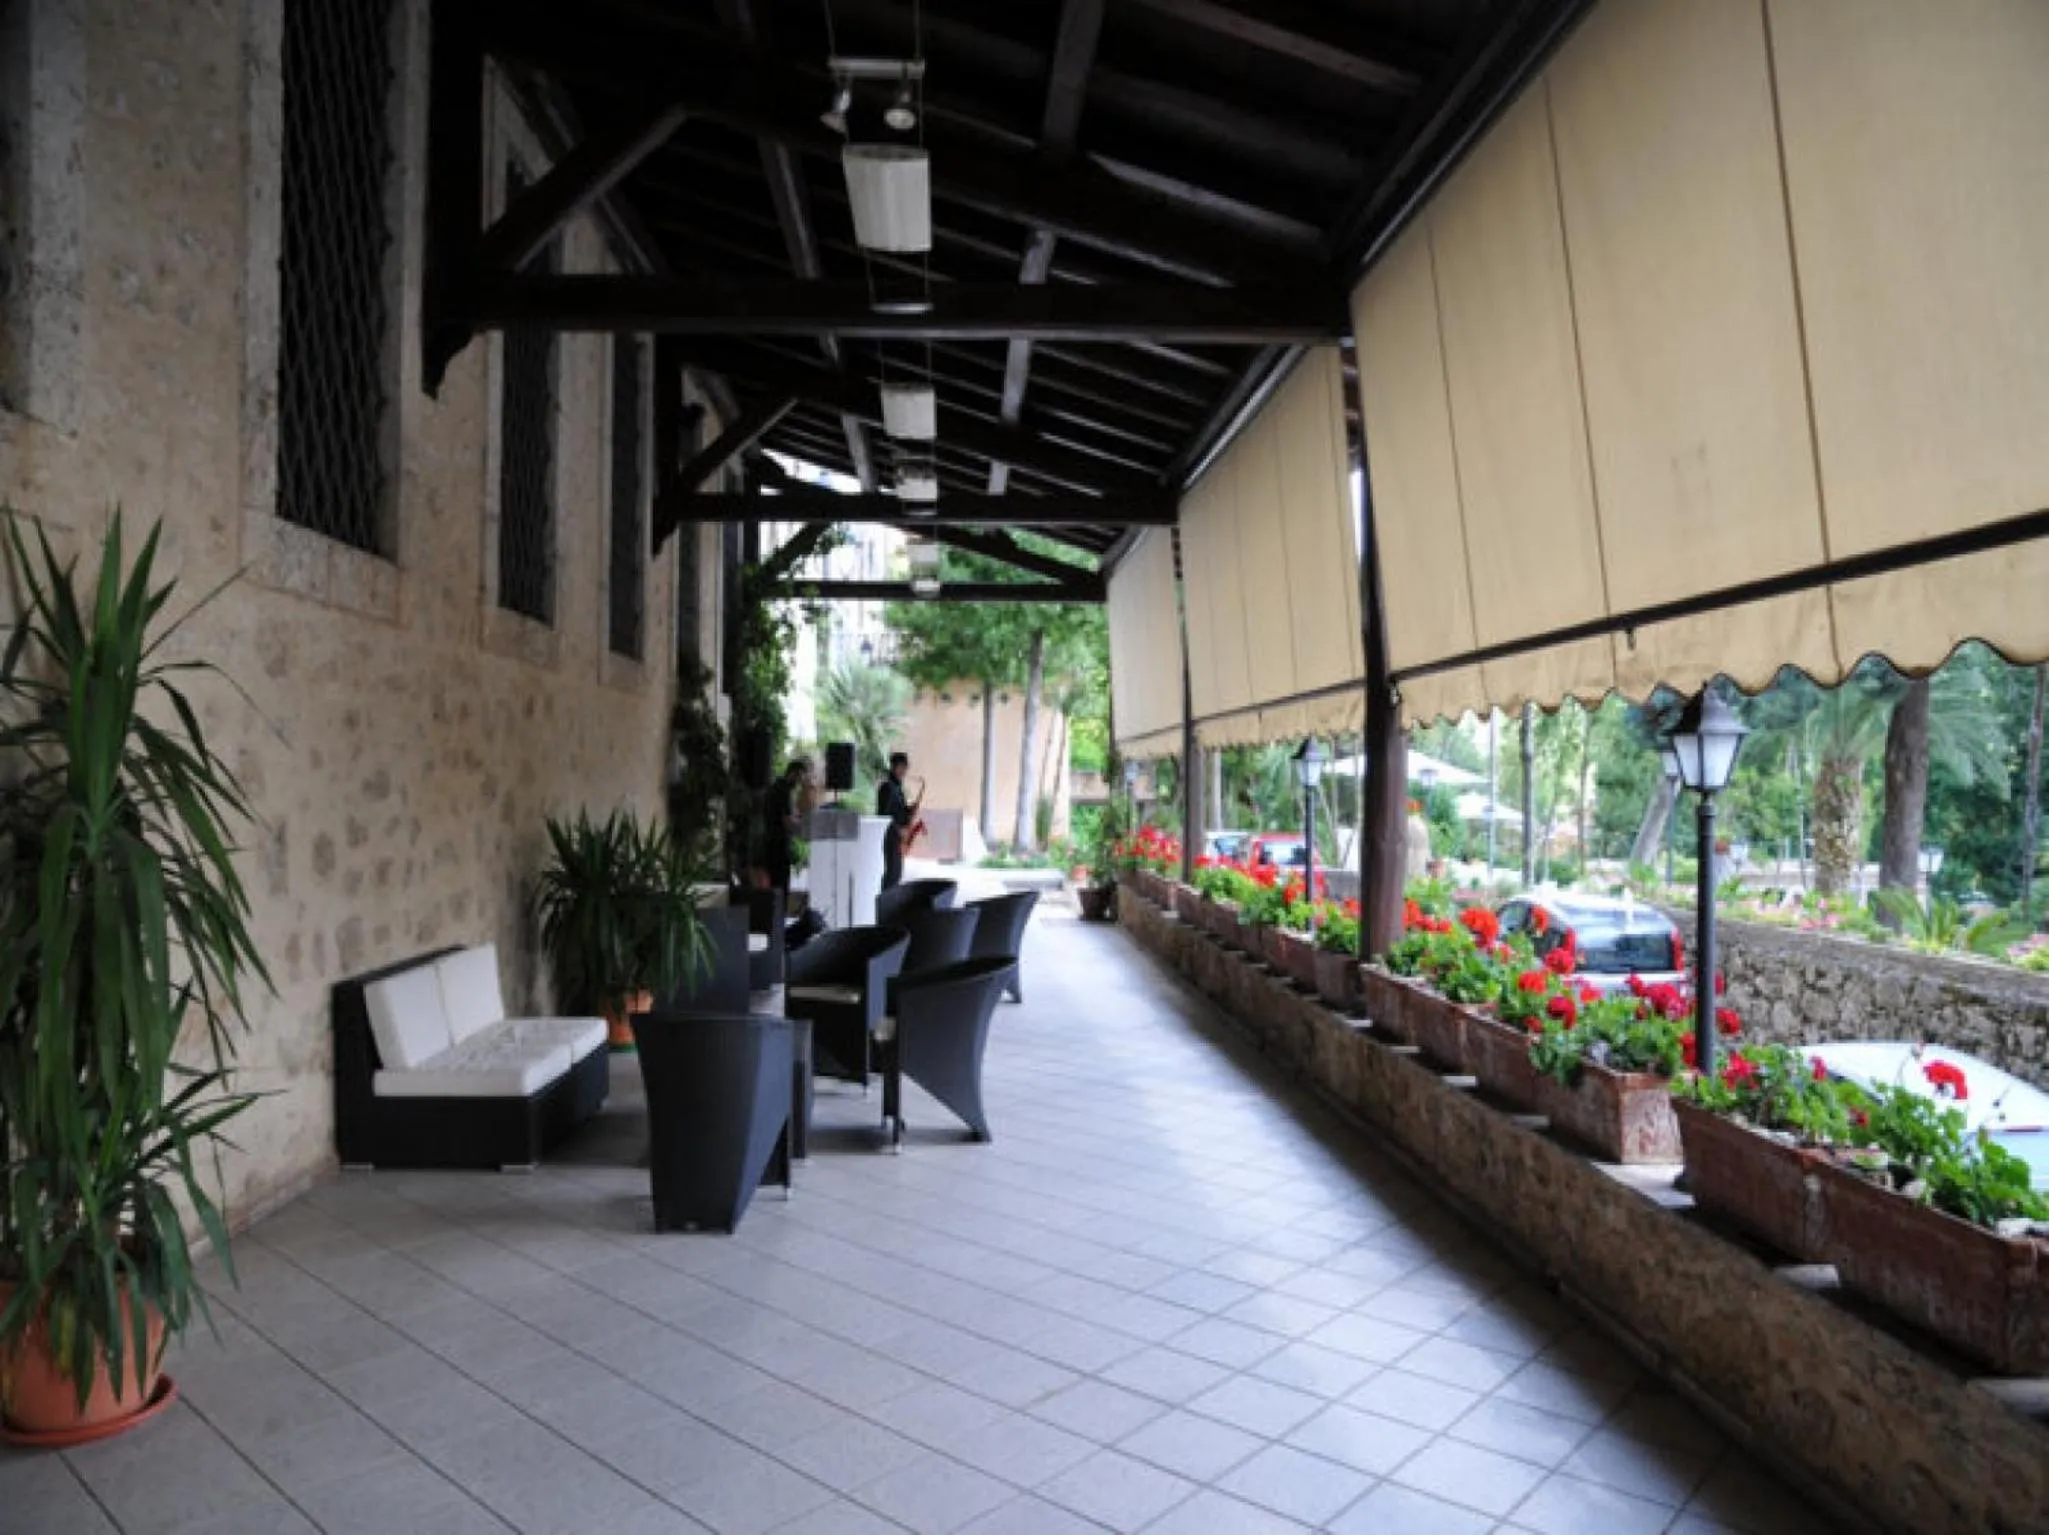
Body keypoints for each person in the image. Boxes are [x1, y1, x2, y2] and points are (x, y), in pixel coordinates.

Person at [762, 757, 812, 894]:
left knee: (774, 886)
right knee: (781, 886)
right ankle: (779, 913)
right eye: (801, 777)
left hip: (770, 842)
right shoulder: (783, 791)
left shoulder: (775, 787)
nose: (801, 782)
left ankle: (775, 913)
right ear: (794, 773)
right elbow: (787, 821)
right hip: (779, 845)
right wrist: (804, 831)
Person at [877, 751, 922, 892]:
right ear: (893, 767)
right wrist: (899, 830)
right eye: (901, 767)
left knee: (896, 873)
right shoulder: (887, 788)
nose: (904, 771)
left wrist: (910, 809)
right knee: (892, 874)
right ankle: (884, 905)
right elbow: (884, 815)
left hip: (897, 836)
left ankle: (886, 903)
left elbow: (898, 812)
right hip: (891, 836)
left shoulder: (897, 788)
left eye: (905, 767)